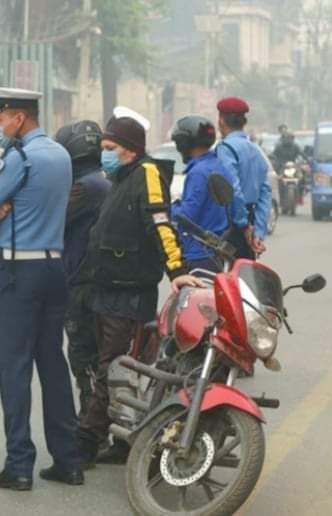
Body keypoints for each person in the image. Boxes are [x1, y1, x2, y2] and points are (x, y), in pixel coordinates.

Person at [74, 114, 203, 466]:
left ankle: (87, 441)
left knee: (114, 368)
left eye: (110, 149)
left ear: (130, 150)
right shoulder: (120, 177)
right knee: (113, 370)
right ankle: (119, 437)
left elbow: (160, 224)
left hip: (129, 295)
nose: (105, 155)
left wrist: (177, 271)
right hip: (106, 290)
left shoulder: (145, 174)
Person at [0, 87, 83, 490]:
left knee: (14, 369)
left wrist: (4, 206)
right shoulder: (60, 155)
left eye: (1, 118)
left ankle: (19, 464)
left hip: (20, 271)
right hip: (55, 270)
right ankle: (68, 460)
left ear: (18, 118)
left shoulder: (20, 157)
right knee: (53, 365)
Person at [53, 120, 111, 418]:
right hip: (96, 280)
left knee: (83, 357)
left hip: (82, 282)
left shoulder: (84, 186)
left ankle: (90, 429)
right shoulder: (101, 179)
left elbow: (54, 221)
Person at [170, 115, 248, 272]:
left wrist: (166, 207)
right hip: (217, 251)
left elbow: (186, 216)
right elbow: (232, 206)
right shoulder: (219, 165)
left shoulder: (198, 173)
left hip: (199, 254)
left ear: (184, 143)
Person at [215, 97, 271, 258]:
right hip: (250, 219)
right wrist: (258, 232)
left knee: (227, 278)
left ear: (221, 120)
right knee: (246, 276)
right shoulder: (255, 150)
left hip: (231, 224)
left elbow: (233, 190)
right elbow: (265, 192)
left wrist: (244, 225)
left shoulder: (225, 149)